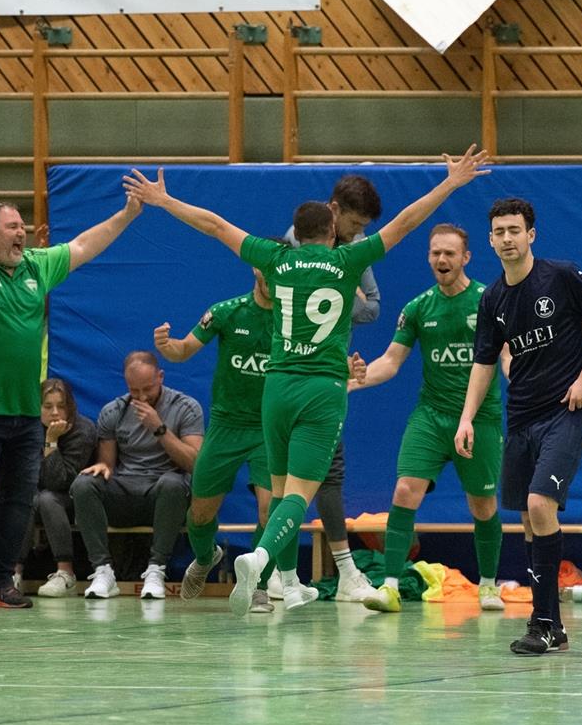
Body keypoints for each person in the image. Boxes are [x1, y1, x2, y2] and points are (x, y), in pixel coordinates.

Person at [124, 145, 490, 617]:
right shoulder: (348, 261)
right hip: (321, 390)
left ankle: (289, 582)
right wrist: (451, 183)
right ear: (334, 230)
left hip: (276, 389)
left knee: (277, 491)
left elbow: (214, 225)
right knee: (298, 494)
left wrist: (165, 201)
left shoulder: (275, 257)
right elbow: (406, 223)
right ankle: (258, 561)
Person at [0, 173, 143, 608]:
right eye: (13, 227)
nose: (23, 233)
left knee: (19, 498)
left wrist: (126, 216)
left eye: (23, 227)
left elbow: (85, 245)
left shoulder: (37, 265)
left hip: (22, 410)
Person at [456, 197, 582, 655]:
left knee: (539, 503)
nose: (507, 239)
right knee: (529, 520)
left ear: (531, 235)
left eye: (515, 230)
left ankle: (543, 621)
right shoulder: (493, 299)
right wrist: (467, 418)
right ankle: (553, 627)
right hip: (521, 417)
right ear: (490, 240)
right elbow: (484, 362)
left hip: (567, 410)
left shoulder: (562, 276)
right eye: (499, 232)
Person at [352, 224, 509, 614]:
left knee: (483, 505)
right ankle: (389, 587)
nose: (442, 260)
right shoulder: (418, 308)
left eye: (450, 254)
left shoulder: (489, 302)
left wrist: (524, 380)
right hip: (431, 415)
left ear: (466, 258)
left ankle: (488, 586)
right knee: (405, 490)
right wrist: (355, 382)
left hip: (481, 419)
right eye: (436, 253)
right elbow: (390, 361)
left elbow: (506, 357)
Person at [281, 175, 382, 603]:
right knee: (284, 479)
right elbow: (338, 305)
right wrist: (347, 287)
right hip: (297, 374)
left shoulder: (352, 248)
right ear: (334, 212)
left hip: (330, 373)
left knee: (328, 473)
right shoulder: (293, 245)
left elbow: (372, 309)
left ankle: (336, 574)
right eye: (356, 225)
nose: (360, 235)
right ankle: (283, 575)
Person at [155, 268, 281, 611]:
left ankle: (259, 586)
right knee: (199, 514)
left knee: (271, 511)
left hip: (269, 429)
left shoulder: (294, 320)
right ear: (257, 270)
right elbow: (183, 350)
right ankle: (206, 555)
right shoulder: (227, 312)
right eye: (267, 271)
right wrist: (168, 347)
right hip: (226, 427)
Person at [71, 351, 204, 600]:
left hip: (164, 495)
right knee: (83, 484)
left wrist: (159, 428)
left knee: (173, 483)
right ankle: (103, 571)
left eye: (148, 389)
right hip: (126, 491)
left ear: (161, 377)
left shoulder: (186, 407)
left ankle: (156, 570)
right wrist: (102, 468)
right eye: (134, 391)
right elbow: (107, 464)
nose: (142, 397)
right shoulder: (113, 411)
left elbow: (194, 463)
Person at [33, 377, 98, 597]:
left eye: (61, 406)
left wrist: (51, 441)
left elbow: (59, 482)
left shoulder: (84, 430)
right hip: (37, 496)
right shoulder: (29, 429)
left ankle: (65, 573)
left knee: (47, 498)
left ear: (70, 407)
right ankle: (13, 571)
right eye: (47, 406)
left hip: (76, 500)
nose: (54, 413)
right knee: (22, 498)